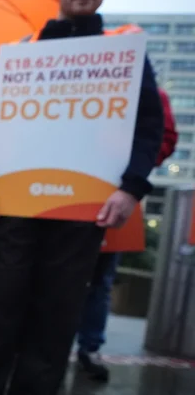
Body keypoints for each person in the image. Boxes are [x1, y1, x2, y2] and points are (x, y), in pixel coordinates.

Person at [0, 0, 165, 393]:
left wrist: (131, 188)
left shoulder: (124, 58)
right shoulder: (19, 55)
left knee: (57, 314)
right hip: (12, 206)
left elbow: (148, 128)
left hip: (81, 213)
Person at [75, 86, 178, 382]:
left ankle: (89, 347)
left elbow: (164, 137)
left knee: (100, 280)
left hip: (115, 191)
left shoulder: (150, 93)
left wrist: (132, 165)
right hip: (72, 187)